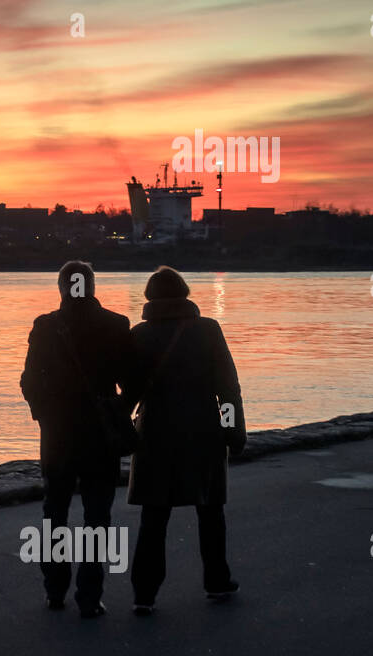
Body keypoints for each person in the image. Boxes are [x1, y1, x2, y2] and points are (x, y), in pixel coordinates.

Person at [124, 266, 246, 615]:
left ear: (149, 297)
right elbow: (227, 390)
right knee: (210, 511)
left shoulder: (139, 335)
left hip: (155, 434)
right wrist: (234, 432)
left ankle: (144, 593)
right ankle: (216, 580)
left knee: (154, 516)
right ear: (186, 293)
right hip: (202, 431)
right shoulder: (208, 330)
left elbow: (129, 392)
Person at [20, 261, 132, 617]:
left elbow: (29, 381)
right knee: (97, 516)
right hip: (100, 435)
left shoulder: (45, 326)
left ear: (61, 287)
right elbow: (130, 380)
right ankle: (89, 595)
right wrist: (117, 410)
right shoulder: (116, 325)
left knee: (54, 512)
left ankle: (54, 589)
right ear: (93, 286)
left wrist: (43, 415)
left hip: (58, 433)